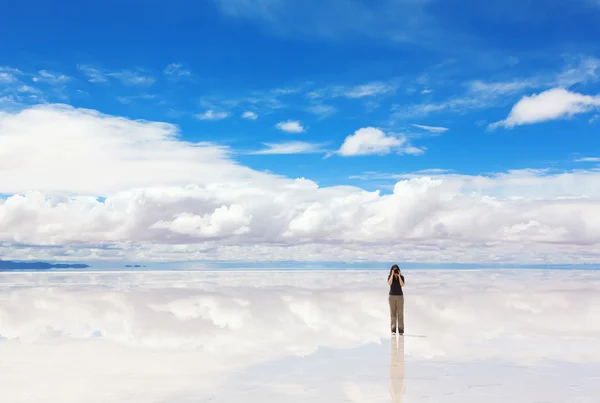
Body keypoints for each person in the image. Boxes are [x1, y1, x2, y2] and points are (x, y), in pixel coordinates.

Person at [387, 264, 404, 335]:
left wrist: (399, 276)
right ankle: (393, 330)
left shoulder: (402, 277)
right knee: (393, 314)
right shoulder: (390, 277)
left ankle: (401, 331)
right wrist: (392, 275)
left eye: (396, 269)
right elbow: (389, 283)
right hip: (391, 296)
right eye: (394, 269)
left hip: (400, 296)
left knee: (400, 314)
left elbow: (402, 284)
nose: (395, 270)